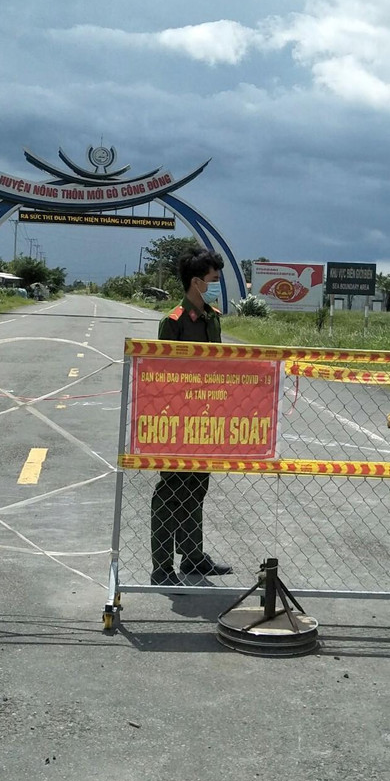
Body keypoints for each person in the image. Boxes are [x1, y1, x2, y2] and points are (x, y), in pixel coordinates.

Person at [149, 248, 234, 587]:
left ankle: (193, 557)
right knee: (170, 490)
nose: (217, 285)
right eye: (214, 280)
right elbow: (163, 376)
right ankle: (162, 566)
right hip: (177, 419)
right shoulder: (173, 322)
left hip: (207, 418)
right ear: (197, 282)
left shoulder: (212, 317)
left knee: (197, 487)